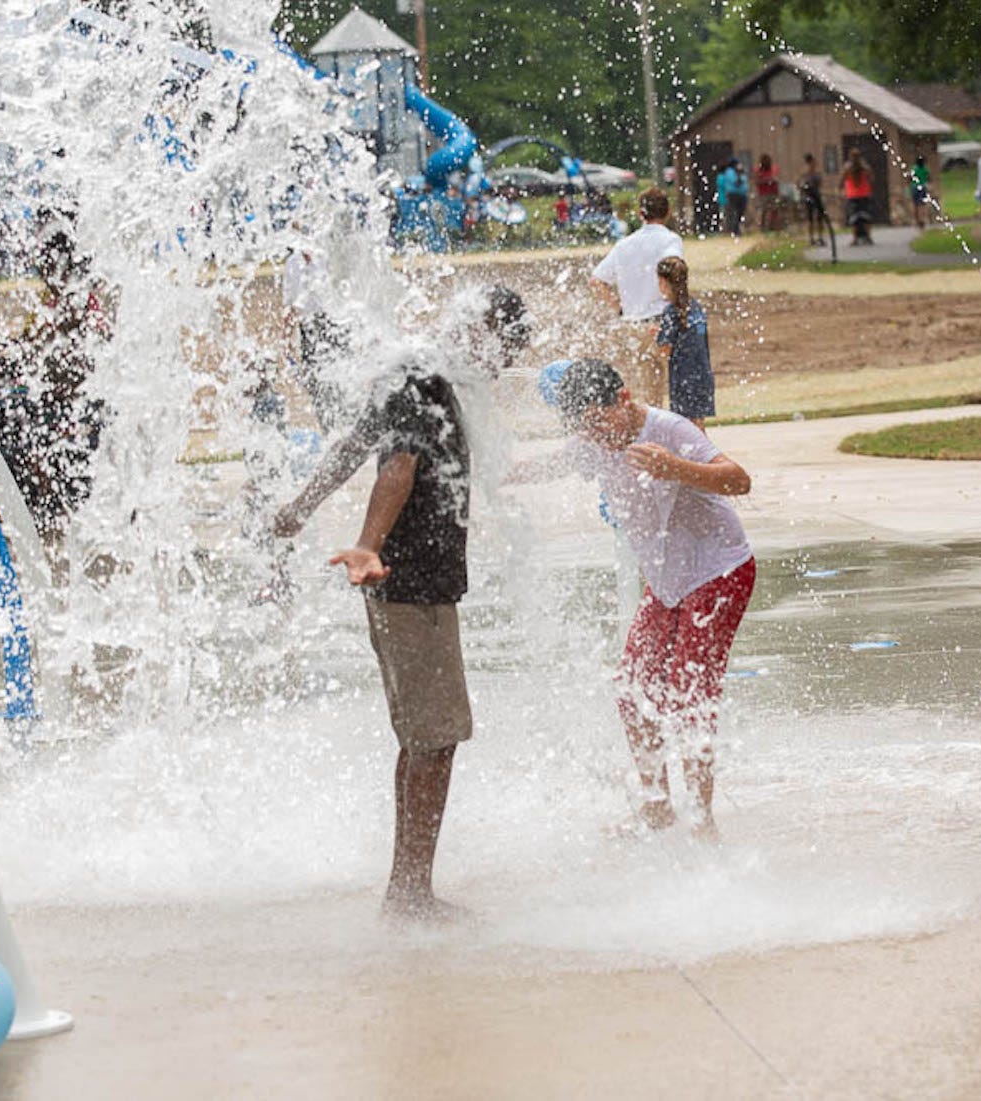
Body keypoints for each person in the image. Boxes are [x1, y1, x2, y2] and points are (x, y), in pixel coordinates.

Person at [270, 286, 531, 922]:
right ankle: (410, 894)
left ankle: (408, 886)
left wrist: (301, 507)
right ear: (483, 332)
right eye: (504, 349)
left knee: (423, 740)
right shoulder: (427, 382)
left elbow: (354, 445)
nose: (500, 365)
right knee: (436, 739)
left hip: (406, 584)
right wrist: (366, 543)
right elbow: (398, 468)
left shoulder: (408, 375)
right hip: (413, 586)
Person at [546, 359, 754, 840]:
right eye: (585, 430)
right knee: (633, 691)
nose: (596, 438)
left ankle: (703, 819)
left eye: (599, 423)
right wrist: (482, 474)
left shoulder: (668, 429)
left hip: (718, 570)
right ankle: (657, 804)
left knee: (688, 693)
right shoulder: (595, 440)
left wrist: (675, 468)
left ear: (623, 398)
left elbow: (739, 479)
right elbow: (543, 467)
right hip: (667, 582)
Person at [589, 187, 684, 405]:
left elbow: (596, 281)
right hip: (662, 322)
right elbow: (673, 271)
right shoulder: (670, 240)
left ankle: (650, 436)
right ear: (668, 212)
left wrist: (618, 307)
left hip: (633, 325)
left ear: (641, 214)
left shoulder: (624, 245)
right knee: (681, 389)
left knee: (649, 395)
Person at [281, 247, 352, 429]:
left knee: (338, 380)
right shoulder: (292, 263)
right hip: (308, 327)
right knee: (314, 382)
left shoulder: (324, 255)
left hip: (331, 325)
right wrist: (287, 340)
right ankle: (327, 427)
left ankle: (344, 423)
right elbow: (289, 304)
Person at [653, 256, 714, 426]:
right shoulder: (695, 307)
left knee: (688, 429)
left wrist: (657, 339)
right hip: (702, 375)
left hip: (683, 378)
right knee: (698, 424)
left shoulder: (671, 312)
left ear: (664, 283)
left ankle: (704, 454)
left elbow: (665, 350)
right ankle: (706, 453)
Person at [841, 149, 874, 245]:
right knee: (866, 216)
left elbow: (842, 179)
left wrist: (841, 189)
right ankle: (868, 237)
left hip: (852, 195)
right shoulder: (865, 167)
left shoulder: (847, 167)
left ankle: (855, 239)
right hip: (864, 194)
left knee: (853, 218)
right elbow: (871, 178)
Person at [798, 153, 827, 246]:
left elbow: (820, 182)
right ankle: (812, 238)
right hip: (809, 195)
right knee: (810, 218)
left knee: (819, 217)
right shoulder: (805, 172)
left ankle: (820, 237)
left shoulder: (814, 171)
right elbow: (800, 184)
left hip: (816, 195)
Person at [715, 159, 748, 238]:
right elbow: (735, 182)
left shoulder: (740, 172)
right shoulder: (729, 172)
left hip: (740, 195)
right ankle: (732, 230)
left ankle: (734, 229)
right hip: (732, 195)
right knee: (731, 213)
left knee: (738, 212)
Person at [752, 153, 780, 231]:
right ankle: (763, 228)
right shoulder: (758, 169)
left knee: (774, 211)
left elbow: (776, 179)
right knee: (763, 211)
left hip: (773, 193)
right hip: (763, 194)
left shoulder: (773, 168)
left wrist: (768, 180)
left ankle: (774, 228)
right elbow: (756, 181)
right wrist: (767, 180)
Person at [910, 154, 932, 229]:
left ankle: (917, 219)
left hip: (914, 187)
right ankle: (923, 218)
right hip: (923, 187)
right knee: (923, 204)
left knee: (915, 204)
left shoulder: (914, 169)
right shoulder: (925, 169)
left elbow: (910, 178)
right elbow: (929, 178)